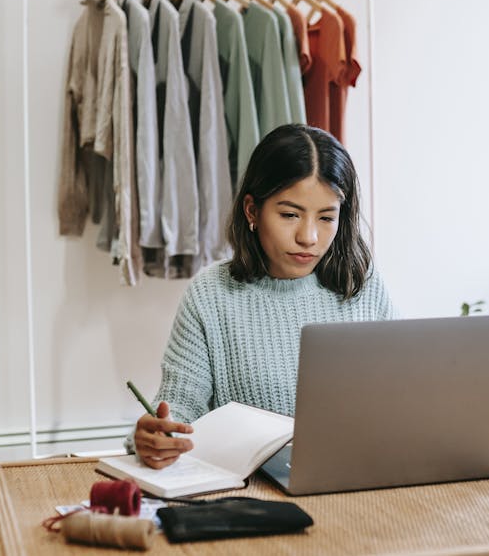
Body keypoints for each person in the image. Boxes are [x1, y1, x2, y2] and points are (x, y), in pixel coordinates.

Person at [131, 124, 396, 469]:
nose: (309, 237)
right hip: (253, 493)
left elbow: (399, 398)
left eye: (327, 217)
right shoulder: (210, 295)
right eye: (289, 215)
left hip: (359, 476)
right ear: (252, 211)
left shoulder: (363, 284)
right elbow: (177, 410)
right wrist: (156, 438)